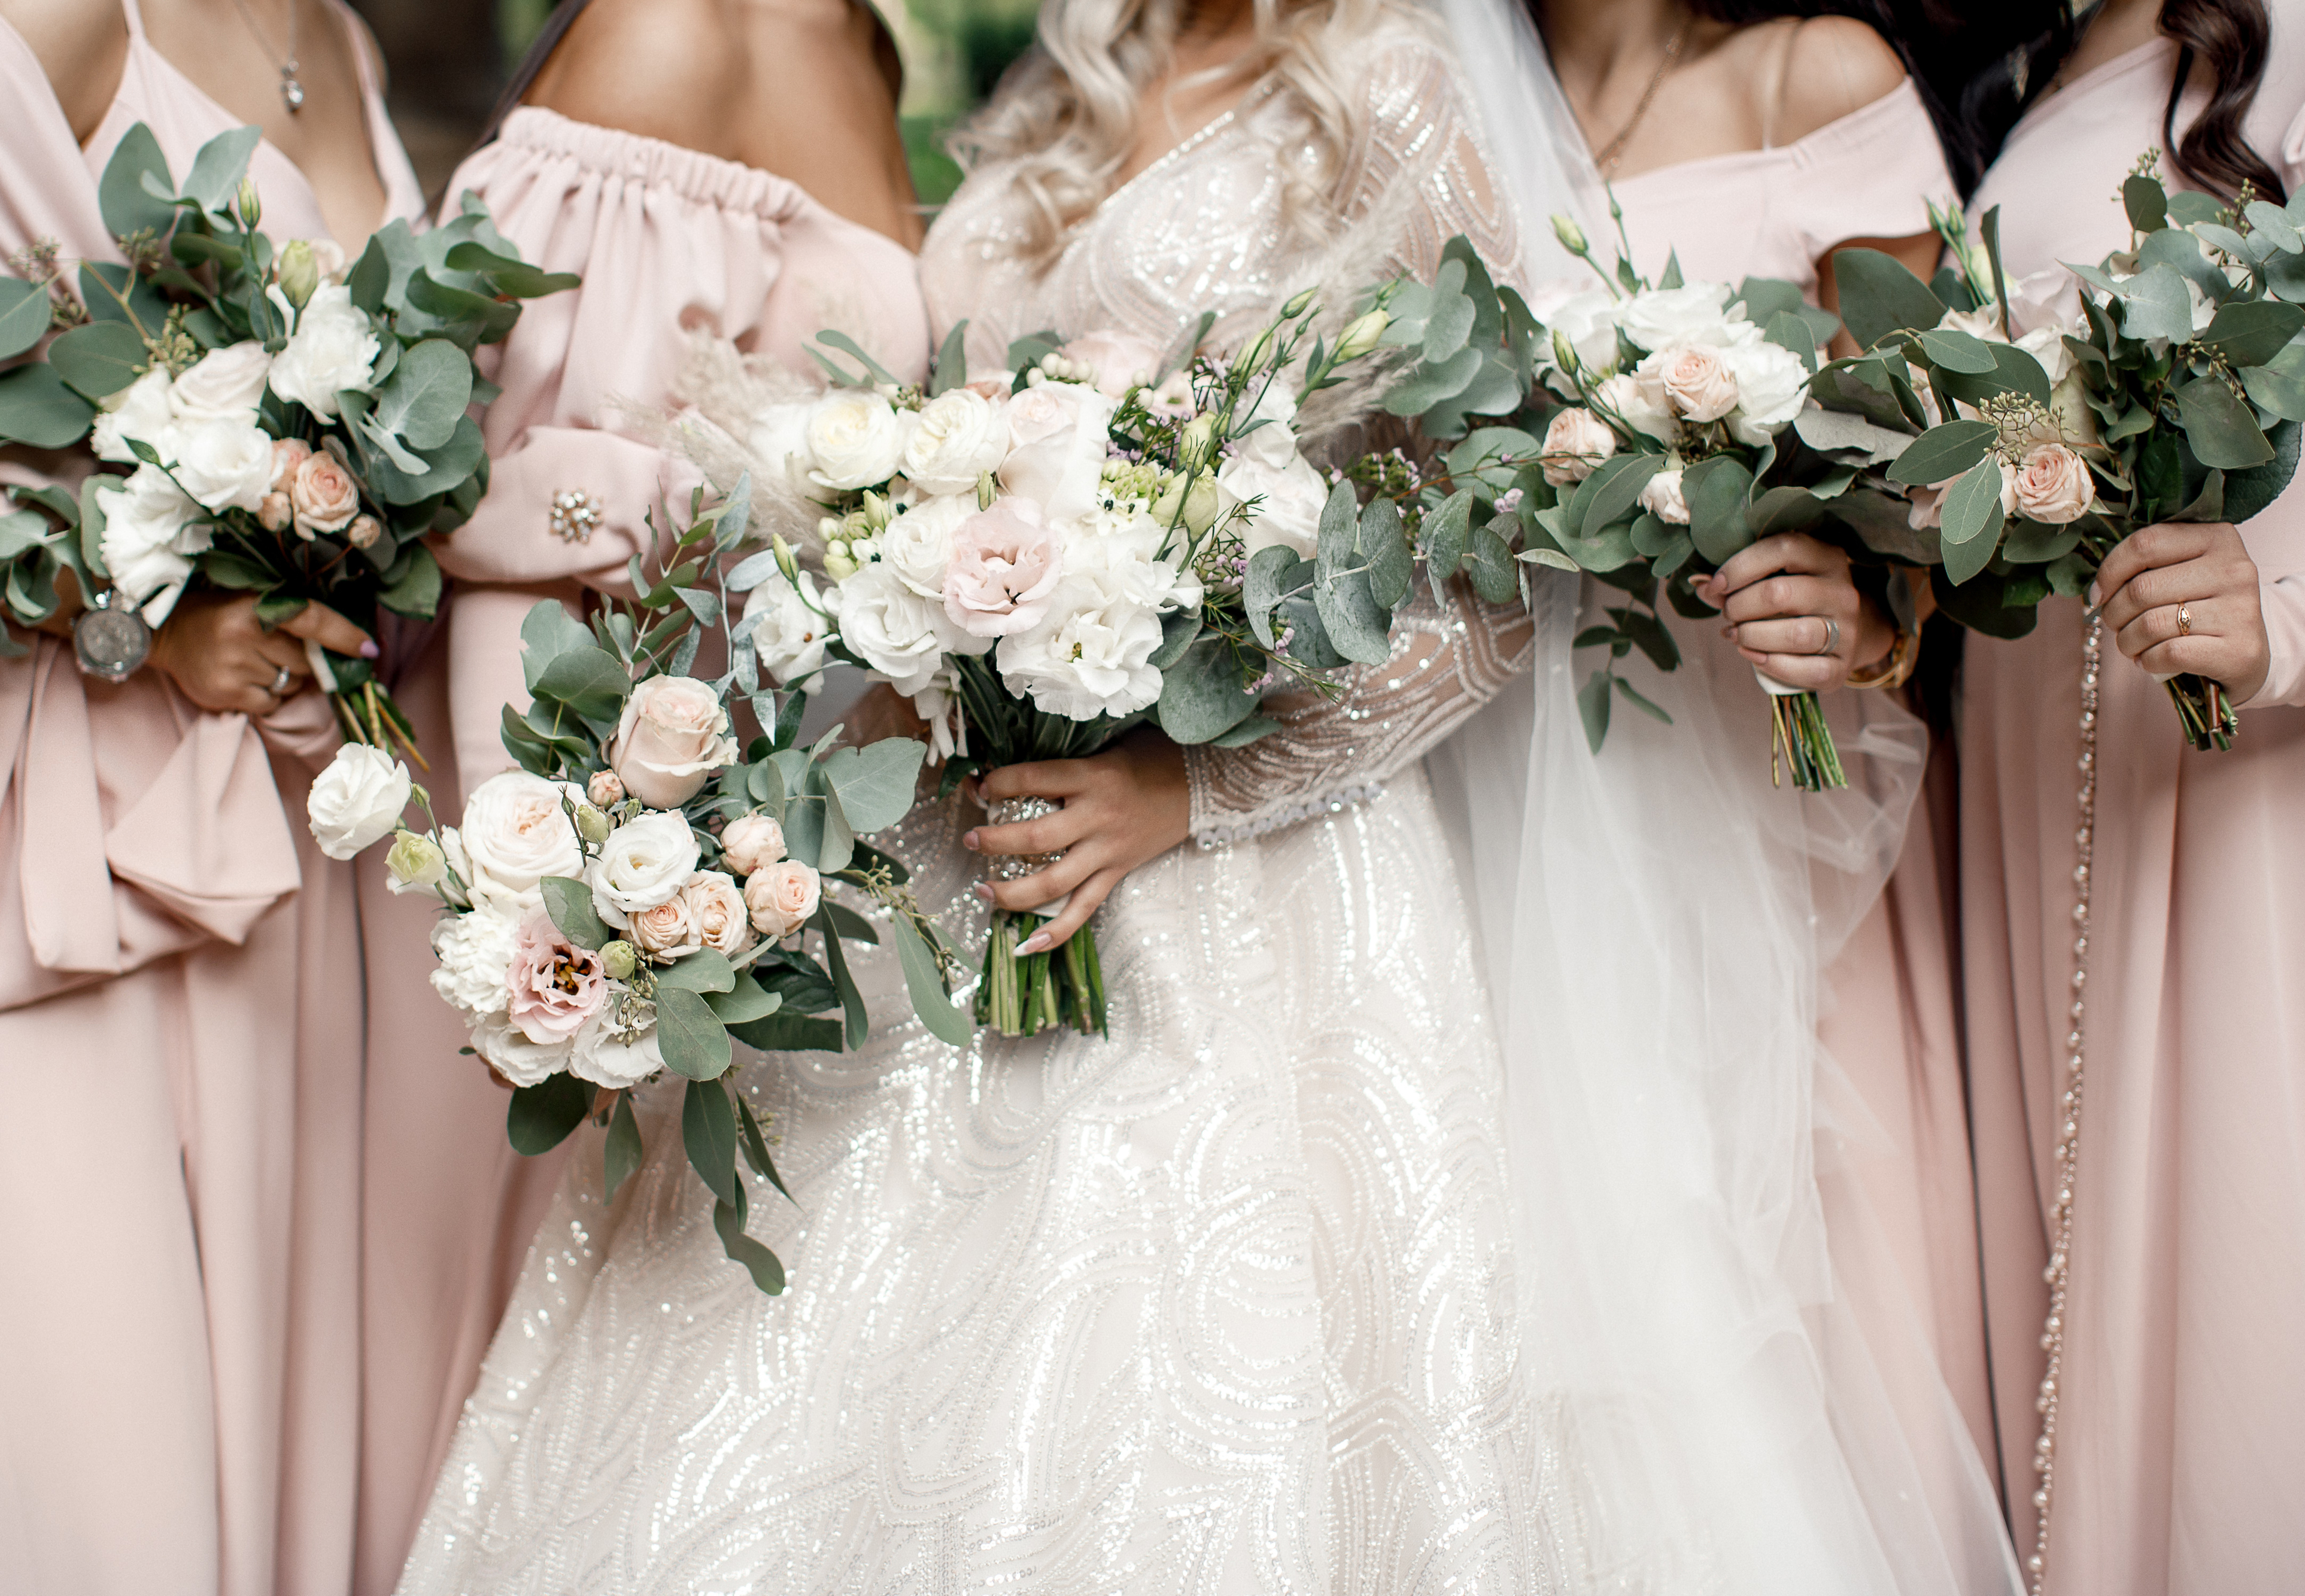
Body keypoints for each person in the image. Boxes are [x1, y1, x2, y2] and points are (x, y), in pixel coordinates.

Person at [397, 0, 1557, 1583]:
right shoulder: (1059, 99)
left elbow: (1500, 574)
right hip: (941, 837)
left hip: (1244, 903)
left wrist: (1192, 785)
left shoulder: (1392, 96)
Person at [1417, 0, 2024, 1588]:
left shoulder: (1812, 71)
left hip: (1763, 816)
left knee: (1752, 1329)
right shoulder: (1432, 89)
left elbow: (1973, 474)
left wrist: (1867, 604)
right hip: (1479, 791)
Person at [345, 1, 928, 1591]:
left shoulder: (855, 41)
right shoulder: (666, 31)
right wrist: (579, 942)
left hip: (800, 856)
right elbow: (518, 519)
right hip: (614, 891)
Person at [1949, 1, 2305, 1590]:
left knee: (2255, 1332)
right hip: (2031, 800)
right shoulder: (2023, 66)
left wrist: (2293, 628)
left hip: (2263, 789)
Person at [0, 1, 414, 1591]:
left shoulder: (345, 42)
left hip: (301, 857)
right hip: (95, 844)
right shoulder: (65, 21)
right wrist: (137, 622)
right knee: (112, 1458)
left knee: (272, 1400)